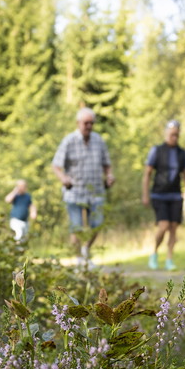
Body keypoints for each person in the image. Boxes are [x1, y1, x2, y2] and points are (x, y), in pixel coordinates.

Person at [51, 107, 115, 268]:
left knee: (97, 224)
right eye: (86, 123)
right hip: (74, 192)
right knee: (76, 227)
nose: (89, 126)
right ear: (78, 123)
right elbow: (56, 166)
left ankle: (86, 251)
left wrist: (109, 176)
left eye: (91, 123)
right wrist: (64, 178)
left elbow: (107, 164)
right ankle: (79, 260)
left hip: (96, 192)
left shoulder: (99, 141)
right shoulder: (69, 141)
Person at [142, 119, 185, 271]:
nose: (174, 137)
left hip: (176, 195)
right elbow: (147, 174)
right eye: (172, 134)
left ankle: (169, 259)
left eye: (177, 135)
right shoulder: (157, 151)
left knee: (173, 228)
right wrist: (145, 194)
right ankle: (154, 252)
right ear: (166, 134)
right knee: (163, 225)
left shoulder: (182, 153)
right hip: (159, 195)